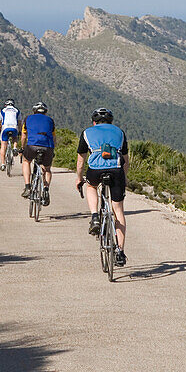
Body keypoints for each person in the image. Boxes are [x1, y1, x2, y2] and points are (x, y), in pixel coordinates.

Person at [75, 107, 130, 267]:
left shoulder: (87, 132)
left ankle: (94, 217)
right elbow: (126, 161)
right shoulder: (120, 132)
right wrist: (123, 178)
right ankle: (120, 251)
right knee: (118, 210)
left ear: (94, 122)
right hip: (116, 170)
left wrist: (79, 179)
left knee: (91, 187)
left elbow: (80, 162)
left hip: (95, 170)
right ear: (111, 122)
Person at [20, 101, 56, 205]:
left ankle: (27, 186)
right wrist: (53, 150)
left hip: (32, 146)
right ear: (45, 112)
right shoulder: (50, 120)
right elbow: (54, 138)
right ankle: (45, 190)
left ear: (34, 111)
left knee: (26, 161)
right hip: (48, 147)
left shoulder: (27, 119)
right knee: (47, 169)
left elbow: (23, 136)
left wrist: (22, 148)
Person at [0, 99, 21, 171]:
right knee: (15, 137)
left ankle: (2, 164)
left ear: (5, 105)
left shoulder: (2, 110)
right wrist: (19, 131)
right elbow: (19, 122)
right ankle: (14, 147)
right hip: (14, 127)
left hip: (5, 128)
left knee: (3, 145)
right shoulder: (17, 111)